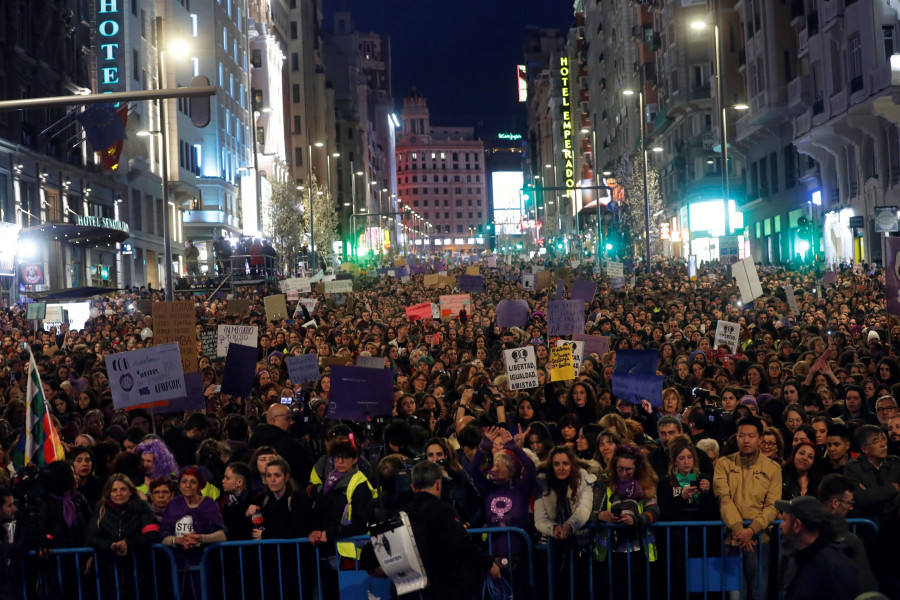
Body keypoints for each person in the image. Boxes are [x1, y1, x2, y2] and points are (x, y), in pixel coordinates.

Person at [363, 461, 501, 600]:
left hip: (408, 590)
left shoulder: (400, 515)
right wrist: (488, 564)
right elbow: (460, 543)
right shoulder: (444, 511)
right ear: (438, 484)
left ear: (413, 487)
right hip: (442, 588)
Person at [713, 416, 781, 600]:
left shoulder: (773, 469)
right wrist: (739, 530)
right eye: (742, 435)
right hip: (731, 539)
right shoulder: (723, 464)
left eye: (751, 436)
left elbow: (772, 506)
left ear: (759, 439)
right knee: (735, 595)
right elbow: (724, 500)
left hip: (761, 540)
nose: (746, 440)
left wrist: (752, 529)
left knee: (760, 592)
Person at [592, 443, 659, 599]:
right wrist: (601, 516)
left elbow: (655, 511)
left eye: (628, 469)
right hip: (610, 552)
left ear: (638, 468)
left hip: (639, 551)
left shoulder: (646, 485)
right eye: (620, 468)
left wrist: (636, 519)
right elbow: (590, 512)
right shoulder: (603, 483)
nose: (623, 473)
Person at [84, 474, 160, 598]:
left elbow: (152, 534)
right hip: (109, 575)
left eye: (123, 489)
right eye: (114, 490)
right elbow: (90, 537)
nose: (119, 493)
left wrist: (129, 545)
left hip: (140, 573)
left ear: (130, 491)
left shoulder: (143, 507)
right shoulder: (100, 509)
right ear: (109, 493)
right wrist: (110, 545)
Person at [534, 446, 595, 597]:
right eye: (556, 464)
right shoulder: (542, 482)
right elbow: (540, 518)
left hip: (579, 546)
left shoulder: (582, 479)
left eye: (565, 463)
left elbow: (584, 509)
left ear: (572, 464)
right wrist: (553, 529)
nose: (561, 468)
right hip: (551, 547)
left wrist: (569, 526)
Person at [775, 495, 861, 600]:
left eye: (785, 520)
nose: (781, 526)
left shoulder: (833, 565)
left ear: (797, 525)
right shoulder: (797, 557)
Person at [160, 467, 227, 599]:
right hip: (178, 565)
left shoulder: (209, 504)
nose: (188, 485)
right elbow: (163, 537)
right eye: (184, 481)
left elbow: (223, 535)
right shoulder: (173, 505)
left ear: (199, 485)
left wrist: (201, 538)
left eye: (193, 482)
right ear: (179, 485)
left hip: (204, 563)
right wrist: (178, 540)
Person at [817, 474, 877, 593]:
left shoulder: (802, 533)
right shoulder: (851, 542)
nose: (851, 508)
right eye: (849, 502)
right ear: (835, 503)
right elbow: (865, 585)